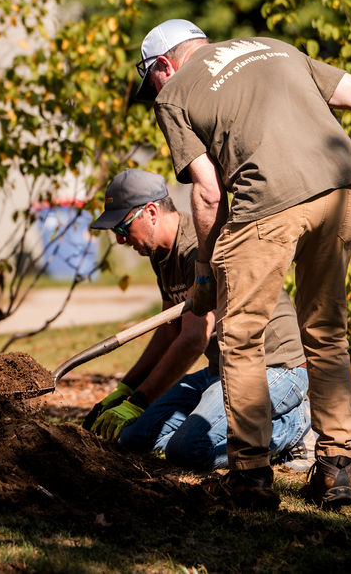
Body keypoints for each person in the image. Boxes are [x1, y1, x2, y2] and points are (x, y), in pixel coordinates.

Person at [135, 20, 351, 510]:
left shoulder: (174, 93)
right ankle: (334, 471)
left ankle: (250, 479)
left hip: (266, 206)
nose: (154, 89)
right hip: (343, 192)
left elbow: (208, 191)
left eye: (151, 79)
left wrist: (205, 269)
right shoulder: (274, 47)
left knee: (242, 336)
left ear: (163, 65)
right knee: (325, 331)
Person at [84, 169, 315, 473]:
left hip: (272, 367)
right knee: (133, 439)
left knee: (188, 450)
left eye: (123, 227)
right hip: (221, 370)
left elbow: (194, 338)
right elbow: (169, 333)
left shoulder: (198, 247)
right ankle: (236, 429)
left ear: (151, 212)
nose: (119, 238)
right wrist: (125, 390)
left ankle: (292, 426)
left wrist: (140, 401)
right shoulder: (161, 254)